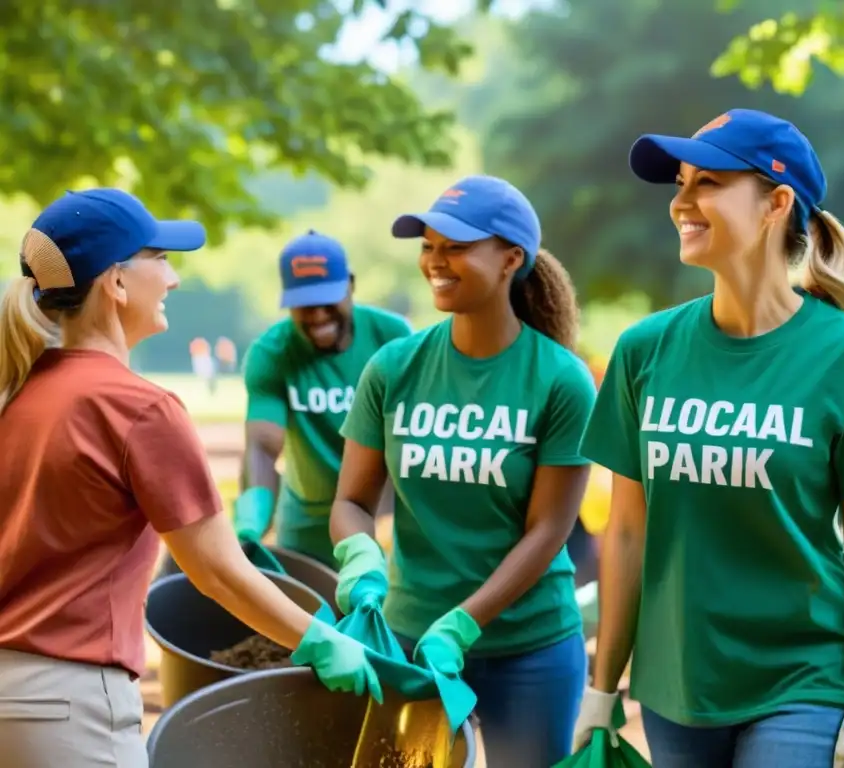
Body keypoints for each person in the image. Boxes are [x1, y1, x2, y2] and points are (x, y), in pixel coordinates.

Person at [572, 109, 844, 767]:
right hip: (676, 685)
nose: (681, 202)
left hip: (802, 679)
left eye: (708, 182)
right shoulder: (643, 351)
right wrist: (601, 689)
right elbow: (625, 535)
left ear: (777, 202)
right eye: (680, 183)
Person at [0, 190, 381, 768]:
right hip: (72, 707)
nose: (173, 278)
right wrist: (322, 641)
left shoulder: (18, 394)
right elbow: (219, 574)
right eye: (160, 257)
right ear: (117, 284)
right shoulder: (140, 409)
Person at [329, 175, 595, 767]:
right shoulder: (394, 367)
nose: (436, 261)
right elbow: (350, 501)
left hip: (530, 648)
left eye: (455, 246)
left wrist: (464, 624)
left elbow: (548, 529)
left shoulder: (559, 379)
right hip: (408, 641)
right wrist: (361, 558)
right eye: (428, 245)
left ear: (510, 259)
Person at [234, 230, 411, 566]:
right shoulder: (272, 353)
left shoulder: (393, 338)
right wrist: (251, 521)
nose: (317, 315)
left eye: (326, 299)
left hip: (383, 519)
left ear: (351, 285)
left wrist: (383, 525)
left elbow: (407, 436)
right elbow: (262, 446)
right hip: (307, 527)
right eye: (304, 304)